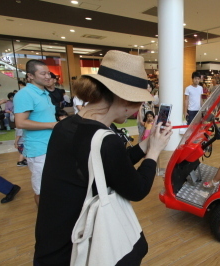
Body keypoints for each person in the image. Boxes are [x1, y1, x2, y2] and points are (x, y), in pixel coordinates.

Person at [34, 50, 173, 265]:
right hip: (82, 240)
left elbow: (107, 162)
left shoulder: (65, 125)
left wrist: (145, 145)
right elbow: (137, 189)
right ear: (124, 99)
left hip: (53, 233)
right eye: (138, 103)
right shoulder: (107, 140)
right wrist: (154, 153)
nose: (137, 111)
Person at [14, 59, 57, 206]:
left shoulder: (43, 93)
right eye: (43, 73)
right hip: (38, 149)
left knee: (52, 186)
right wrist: (52, 125)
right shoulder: (25, 94)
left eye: (48, 73)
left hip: (50, 146)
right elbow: (20, 122)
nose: (47, 76)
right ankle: (45, 223)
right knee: (42, 190)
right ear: (30, 76)